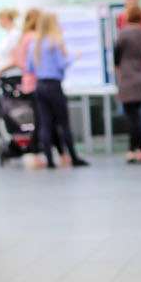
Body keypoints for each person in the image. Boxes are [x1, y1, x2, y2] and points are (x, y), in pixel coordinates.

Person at [29, 12, 89, 169]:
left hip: (40, 86)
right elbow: (62, 64)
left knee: (45, 123)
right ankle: (73, 157)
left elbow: (30, 67)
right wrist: (74, 56)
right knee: (64, 123)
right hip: (54, 85)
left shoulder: (34, 44)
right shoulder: (55, 42)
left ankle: (49, 159)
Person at [113, 8, 141, 164]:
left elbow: (117, 55)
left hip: (127, 76)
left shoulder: (124, 33)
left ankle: (134, 150)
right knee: (137, 114)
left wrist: (118, 68)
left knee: (131, 117)